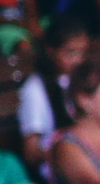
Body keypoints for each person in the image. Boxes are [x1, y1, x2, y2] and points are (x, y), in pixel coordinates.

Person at [16, 15, 94, 166]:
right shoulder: (35, 89)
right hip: (60, 166)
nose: (78, 60)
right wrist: (68, 153)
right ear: (51, 52)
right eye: (71, 53)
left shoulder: (85, 80)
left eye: (82, 53)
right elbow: (31, 151)